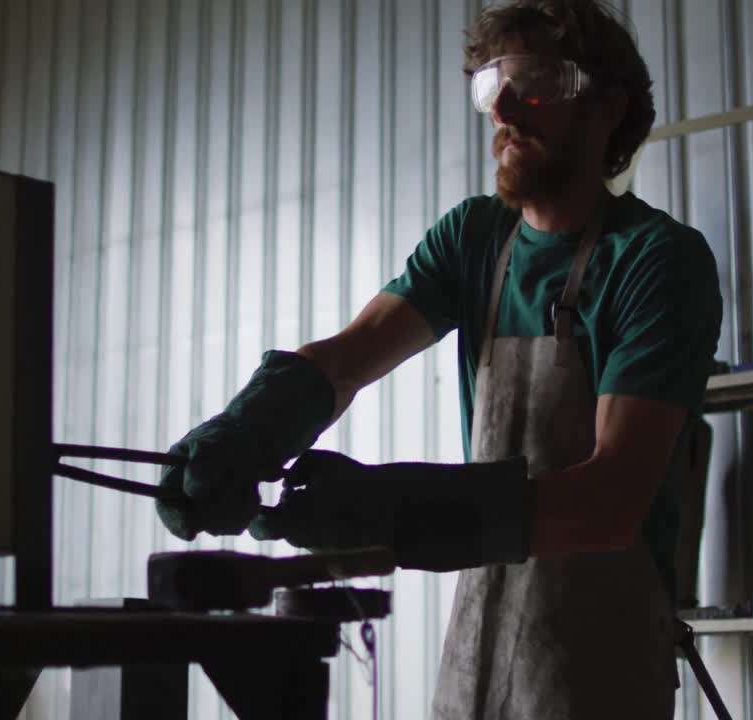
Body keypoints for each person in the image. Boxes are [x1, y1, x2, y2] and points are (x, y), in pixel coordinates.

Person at [156, 0, 722, 717]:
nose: (504, 106)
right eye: (492, 84)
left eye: (534, 80)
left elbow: (609, 503)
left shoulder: (657, 260)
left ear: (609, 106)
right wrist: (248, 431)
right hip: (479, 643)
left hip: (602, 668)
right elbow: (347, 360)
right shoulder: (473, 240)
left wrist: (391, 511)